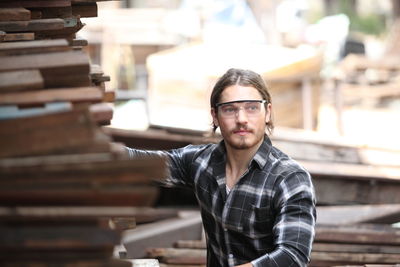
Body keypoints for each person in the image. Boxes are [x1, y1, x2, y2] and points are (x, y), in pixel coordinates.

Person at [126, 68, 316, 267]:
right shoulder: (202, 163)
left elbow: (293, 256)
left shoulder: (290, 179)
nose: (241, 118)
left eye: (251, 108)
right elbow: (141, 162)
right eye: (230, 109)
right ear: (215, 116)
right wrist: (97, 147)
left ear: (267, 112)